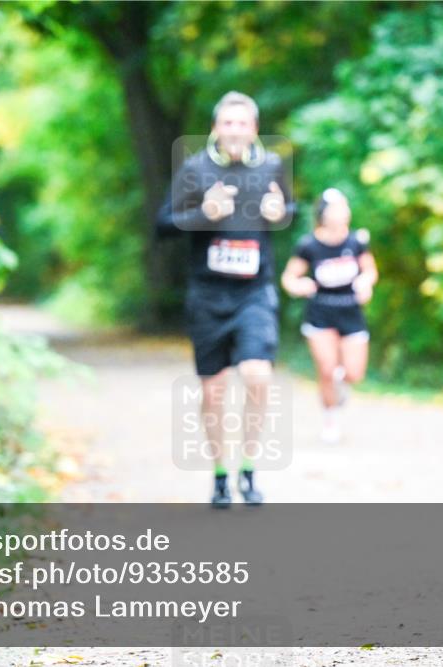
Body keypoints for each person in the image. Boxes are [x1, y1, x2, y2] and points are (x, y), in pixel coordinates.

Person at [156, 91, 295, 508]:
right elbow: (162, 226)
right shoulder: (195, 170)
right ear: (216, 128)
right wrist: (205, 215)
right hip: (207, 295)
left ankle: (248, 469)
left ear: (254, 129)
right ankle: (220, 475)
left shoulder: (271, 166)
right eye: (227, 123)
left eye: (243, 124)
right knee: (213, 392)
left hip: (254, 291)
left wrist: (280, 212)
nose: (235, 131)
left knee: (257, 375)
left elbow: (289, 209)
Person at [280, 188, 377, 443]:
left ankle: (341, 385)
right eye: (336, 208)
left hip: (351, 311)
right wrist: (299, 286)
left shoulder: (357, 242)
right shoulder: (309, 245)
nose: (343, 212)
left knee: (354, 373)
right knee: (326, 368)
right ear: (323, 214)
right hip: (321, 311)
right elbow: (289, 277)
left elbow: (369, 270)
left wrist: (366, 283)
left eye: (344, 206)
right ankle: (330, 419)